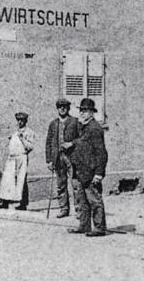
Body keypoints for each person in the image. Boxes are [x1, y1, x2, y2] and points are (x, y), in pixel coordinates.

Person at [64, 98, 108, 237]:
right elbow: (82, 141)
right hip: (80, 170)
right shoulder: (83, 127)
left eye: (85, 111)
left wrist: (99, 173)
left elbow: (101, 153)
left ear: (91, 113)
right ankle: (84, 225)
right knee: (81, 200)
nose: (82, 113)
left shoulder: (95, 128)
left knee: (94, 199)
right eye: (81, 110)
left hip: (90, 170)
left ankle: (99, 228)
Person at [45, 97, 81, 218]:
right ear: (57, 109)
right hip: (57, 158)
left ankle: (79, 210)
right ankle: (64, 209)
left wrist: (71, 143)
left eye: (64, 106)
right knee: (61, 185)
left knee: (75, 184)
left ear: (68, 108)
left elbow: (82, 139)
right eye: (60, 107)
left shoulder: (75, 122)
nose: (62, 108)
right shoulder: (53, 124)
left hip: (72, 157)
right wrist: (49, 160)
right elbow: (48, 142)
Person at [0, 112, 36, 210]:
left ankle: (23, 203)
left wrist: (22, 139)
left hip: (22, 158)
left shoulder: (29, 132)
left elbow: (30, 147)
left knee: (21, 179)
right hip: (12, 158)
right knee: (7, 179)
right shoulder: (15, 132)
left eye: (22, 120)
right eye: (18, 120)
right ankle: (5, 201)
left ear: (25, 121)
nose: (20, 122)